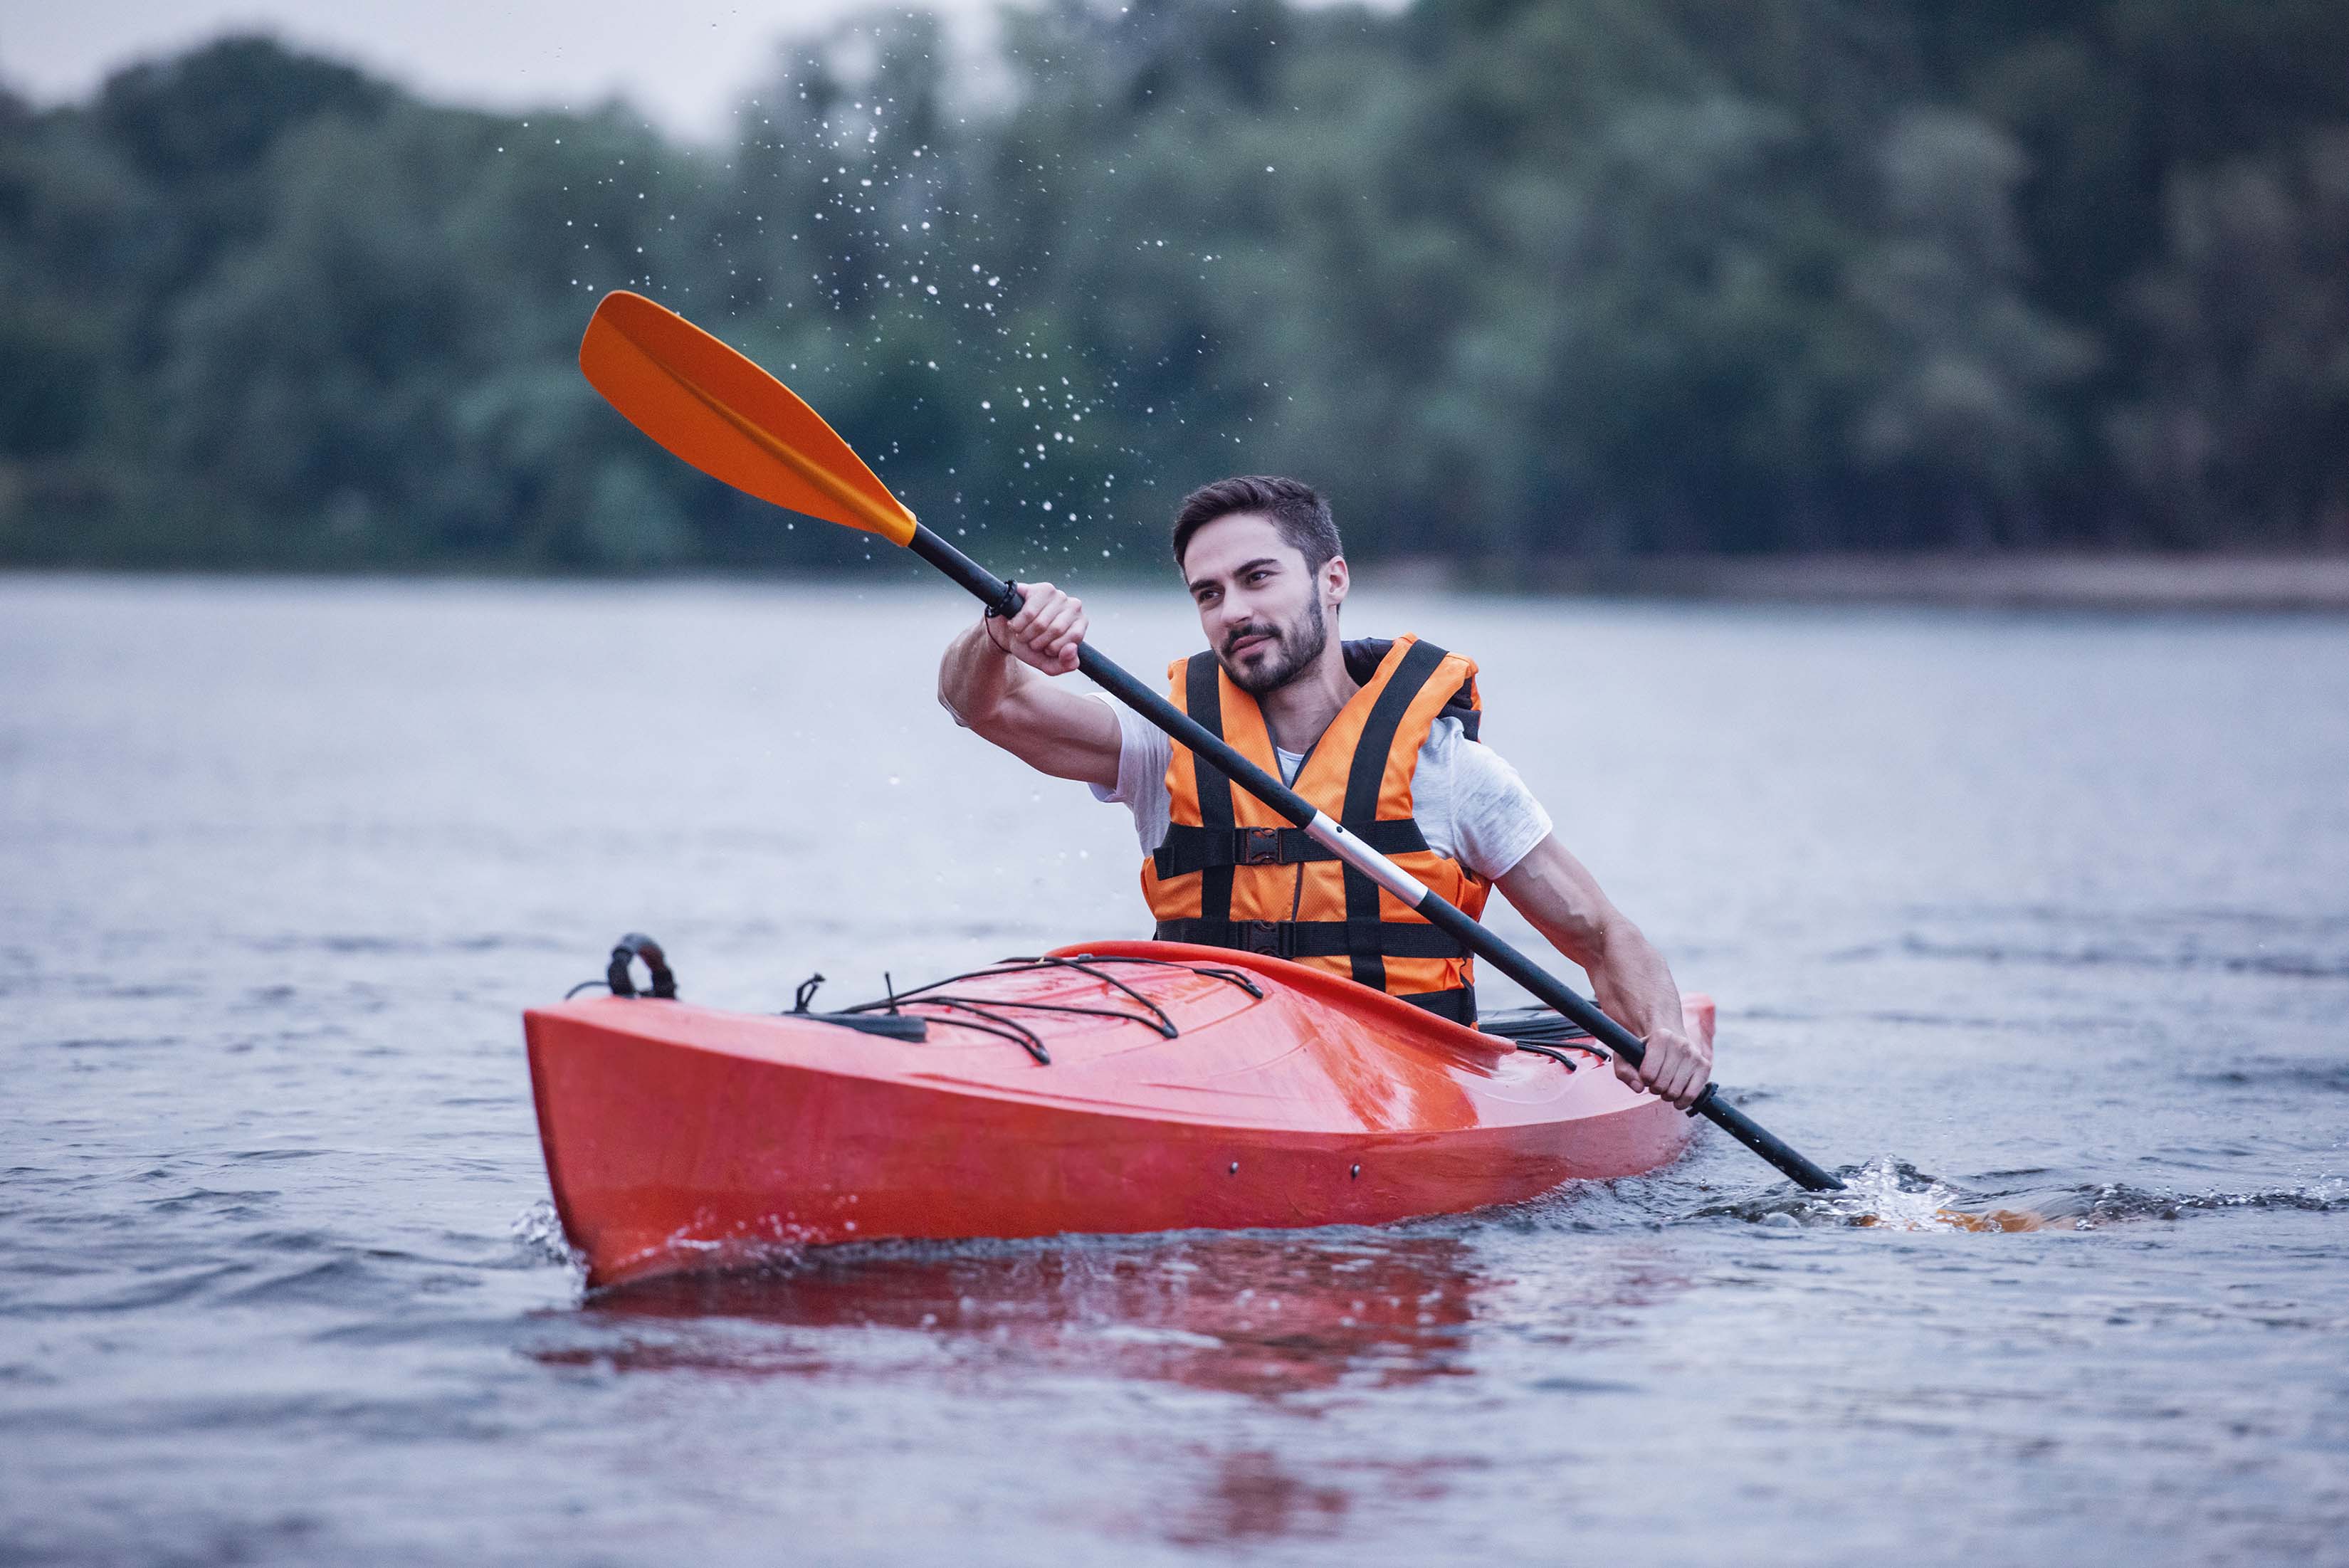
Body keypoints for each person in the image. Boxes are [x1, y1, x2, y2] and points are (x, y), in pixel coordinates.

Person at [936, 475, 1711, 1109]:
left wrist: (1664, 1034)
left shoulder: (1450, 773)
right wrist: (997, 635)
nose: (1233, 610)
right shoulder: (1163, 743)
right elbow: (984, 704)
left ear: (1332, 579)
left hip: (1403, 1086)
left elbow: (1601, 935)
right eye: (1208, 594)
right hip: (1211, 1076)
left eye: (1257, 577)